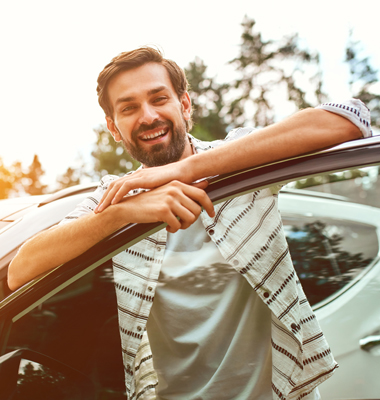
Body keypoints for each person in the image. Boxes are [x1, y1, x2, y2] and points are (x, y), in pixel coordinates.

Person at [8, 47, 372, 400]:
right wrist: (122, 214)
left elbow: (350, 119)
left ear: (184, 104)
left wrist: (185, 169)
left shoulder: (239, 160)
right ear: (114, 127)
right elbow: (21, 268)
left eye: (159, 98)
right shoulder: (114, 197)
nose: (148, 115)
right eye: (129, 108)